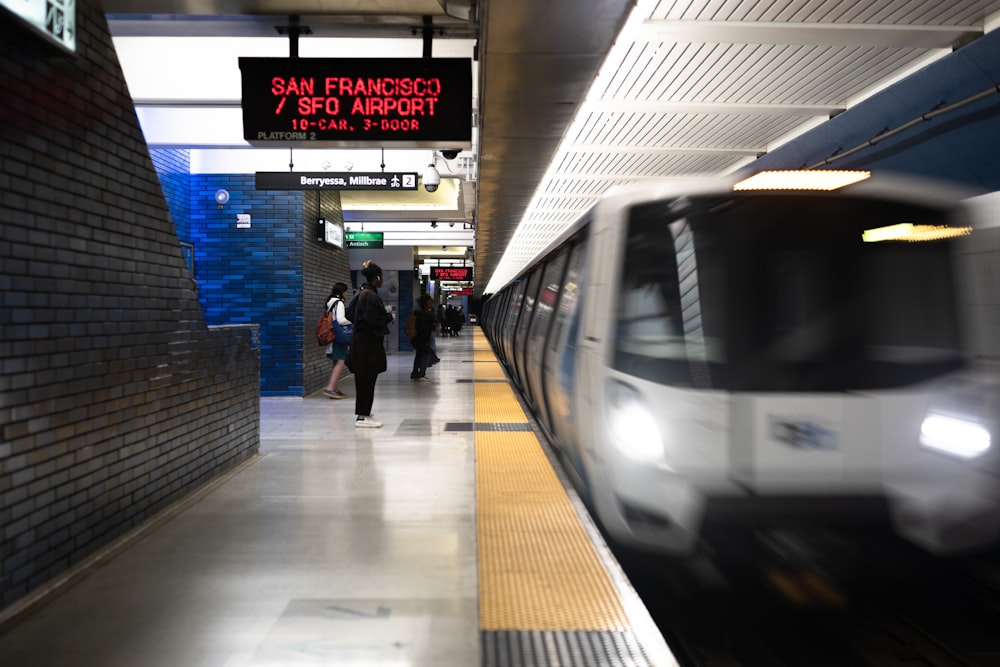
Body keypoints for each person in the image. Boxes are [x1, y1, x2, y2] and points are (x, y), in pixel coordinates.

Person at [349, 260, 393, 428]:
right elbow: (374, 320)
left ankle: (365, 412)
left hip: (361, 342)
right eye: (381, 277)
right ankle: (362, 416)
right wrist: (388, 317)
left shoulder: (361, 293)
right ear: (377, 277)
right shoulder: (370, 296)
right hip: (367, 344)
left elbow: (349, 313)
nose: (382, 280)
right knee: (366, 379)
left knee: (365, 379)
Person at [323, 282, 351, 399]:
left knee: (336, 361)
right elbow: (340, 320)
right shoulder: (338, 303)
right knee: (340, 361)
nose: (347, 294)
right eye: (346, 291)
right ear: (342, 292)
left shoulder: (330, 302)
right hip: (339, 336)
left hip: (332, 336)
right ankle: (330, 388)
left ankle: (335, 388)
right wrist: (351, 322)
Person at [410, 294, 436, 382]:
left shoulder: (419, 312)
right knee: (424, 356)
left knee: (419, 356)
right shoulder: (423, 314)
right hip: (422, 339)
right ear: (425, 304)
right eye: (430, 303)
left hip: (418, 339)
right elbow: (424, 327)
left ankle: (415, 373)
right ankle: (421, 374)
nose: (431, 305)